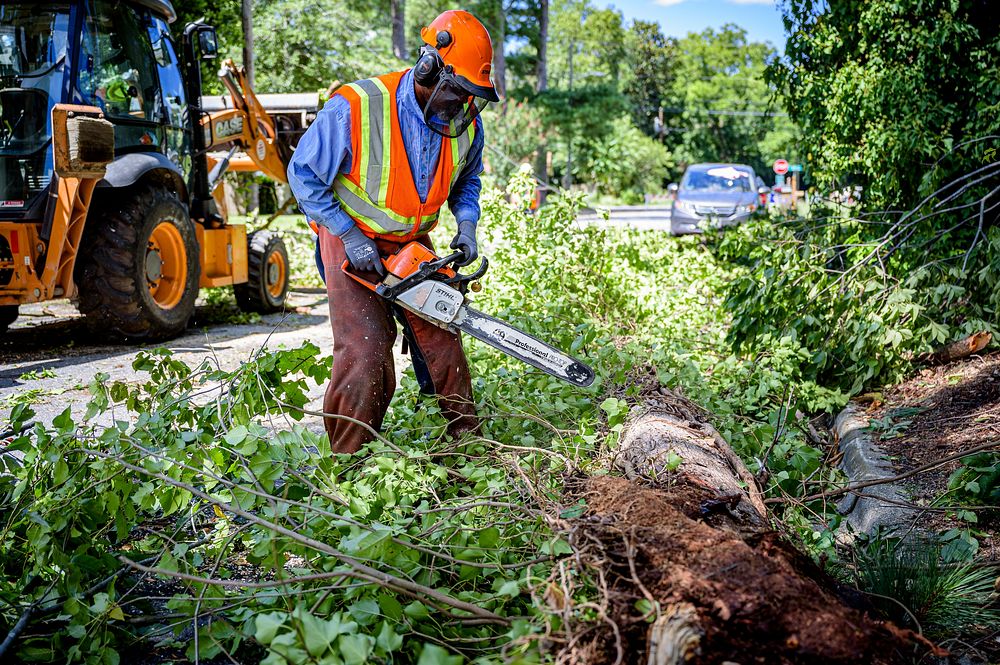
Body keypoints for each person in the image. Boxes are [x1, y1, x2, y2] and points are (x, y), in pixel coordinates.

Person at [288, 10, 500, 454]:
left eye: (471, 96)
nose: (464, 105)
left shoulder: (466, 126)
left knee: (443, 335)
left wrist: (466, 227)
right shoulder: (358, 106)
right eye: (459, 92)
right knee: (366, 349)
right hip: (350, 241)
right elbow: (304, 174)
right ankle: (350, 462)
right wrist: (348, 234)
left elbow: (467, 182)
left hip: (413, 244)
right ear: (429, 68)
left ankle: (467, 448)